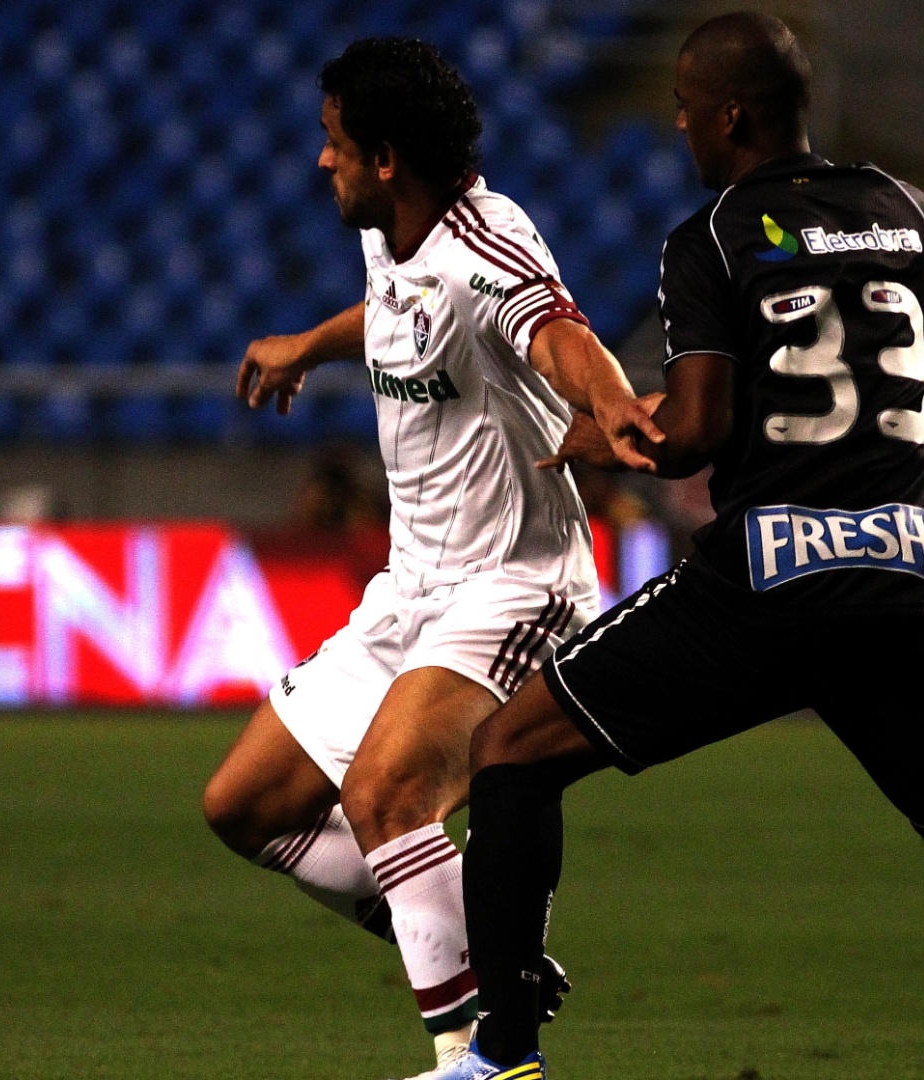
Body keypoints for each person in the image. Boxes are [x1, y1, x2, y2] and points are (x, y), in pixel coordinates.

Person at [441, 13, 924, 1080]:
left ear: (730, 116)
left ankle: (502, 1053)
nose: (679, 126)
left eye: (686, 110)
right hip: (908, 578)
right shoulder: (898, 203)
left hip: (767, 584)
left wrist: (612, 430)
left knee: (511, 751)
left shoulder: (713, 237)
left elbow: (697, 432)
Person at [197, 37, 661, 1080]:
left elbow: (556, 331)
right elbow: (399, 310)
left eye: (336, 144)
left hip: (514, 584)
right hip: (410, 587)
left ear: (388, 160)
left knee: (386, 796)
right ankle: (498, 962)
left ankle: (483, 1057)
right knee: (245, 806)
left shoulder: (489, 244)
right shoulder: (393, 235)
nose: (322, 161)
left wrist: (612, 403)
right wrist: (308, 345)